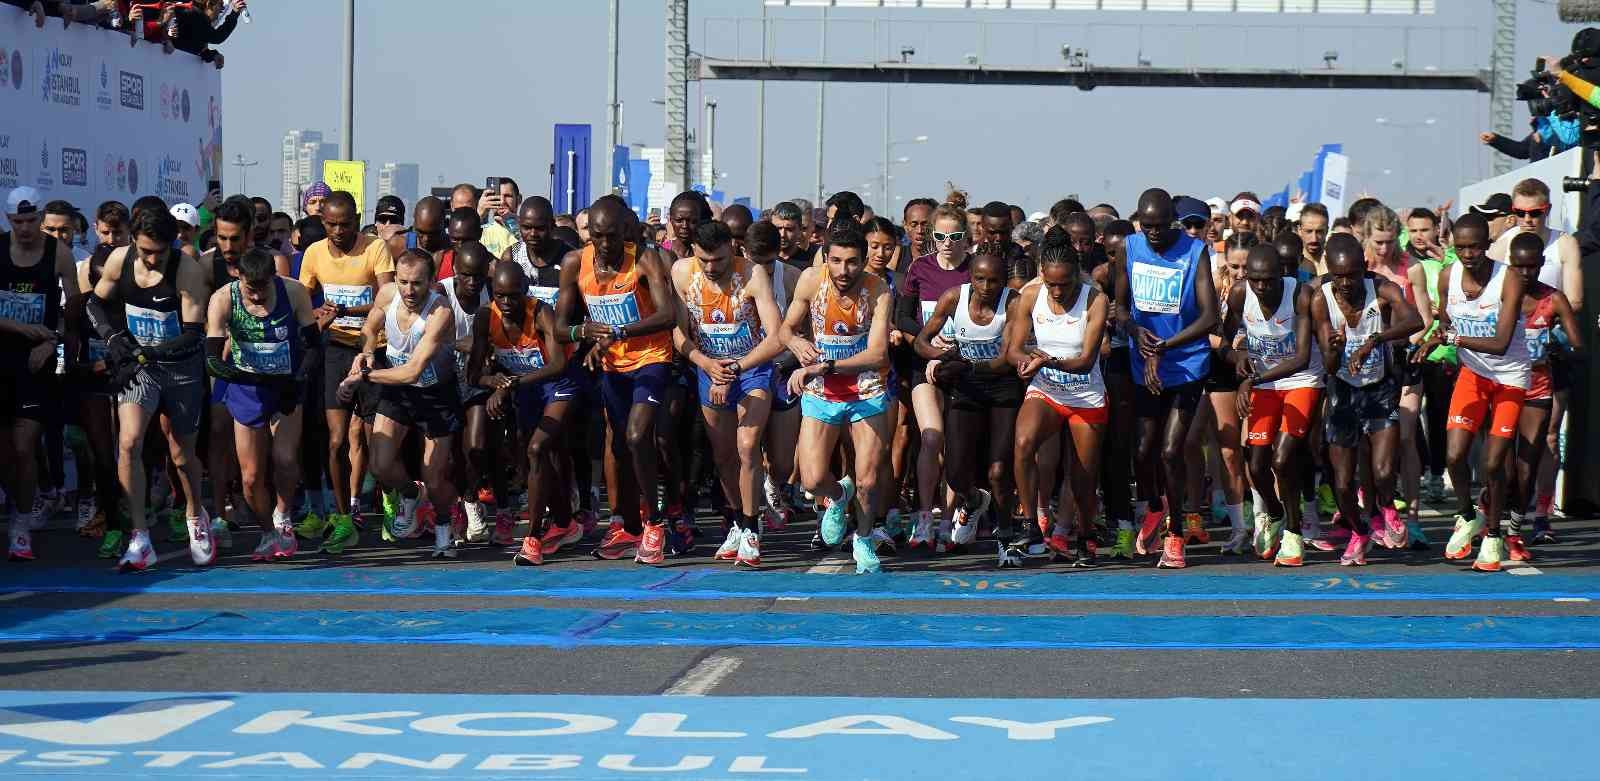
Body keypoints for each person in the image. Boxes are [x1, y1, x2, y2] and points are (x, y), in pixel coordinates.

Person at [85, 208, 212, 571]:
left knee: (181, 454)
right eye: (145, 251)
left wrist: (147, 353)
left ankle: (195, 514)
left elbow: (193, 335)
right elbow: (94, 303)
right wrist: (112, 339)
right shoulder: (119, 259)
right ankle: (139, 537)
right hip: (141, 368)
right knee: (128, 443)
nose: (153, 259)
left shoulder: (187, 270)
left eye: (160, 252)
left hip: (180, 368)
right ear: (134, 242)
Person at [557, 198, 677, 563]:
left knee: (639, 435)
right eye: (598, 236)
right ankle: (628, 526)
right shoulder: (575, 263)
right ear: (589, 234)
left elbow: (668, 315)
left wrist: (620, 330)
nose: (606, 244)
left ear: (625, 231)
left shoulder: (644, 259)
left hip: (651, 359)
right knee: (620, 445)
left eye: (612, 235)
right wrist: (584, 332)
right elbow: (559, 328)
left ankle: (655, 523)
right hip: (613, 366)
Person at [1411, 213, 1529, 573]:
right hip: (1473, 375)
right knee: (1454, 455)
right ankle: (1466, 516)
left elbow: (1501, 343)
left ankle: (1493, 535)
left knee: (1493, 463)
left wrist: (1452, 338)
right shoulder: (1448, 276)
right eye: (1461, 247)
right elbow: (1446, 323)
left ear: (1487, 245)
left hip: (1509, 378)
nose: (1467, 254)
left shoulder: (1509, 279)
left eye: (1474, 247)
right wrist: (1433, 339)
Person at [1111, 189, 1218, 569]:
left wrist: (1165, 345)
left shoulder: (1194, 251)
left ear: (1173, 221)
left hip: (1187, 362)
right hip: (1145, 365)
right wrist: (1134, 331)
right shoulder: (1129, 248)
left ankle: (1176, 533)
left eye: (1160, 225)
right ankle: (1155, 507)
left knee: (1171, 450)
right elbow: (1120, 307)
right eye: (1147, 226)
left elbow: (1210, 317)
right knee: (1142, 451)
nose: (1154, 233)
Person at [780, 219, 894, 574]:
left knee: (868, 480)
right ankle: (839, 496)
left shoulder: (879, 291)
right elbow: (786, 329)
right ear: (825, 258)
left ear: (864, 261)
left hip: (865, 389)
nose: (844, 271)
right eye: (837, 261)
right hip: (822, 392)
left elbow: (878, 355)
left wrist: (823, 366)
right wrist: (795, 342)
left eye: (852, 262)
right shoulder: (811, 281)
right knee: (813, 480)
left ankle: (863, 537)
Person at [672, 220, 786, 567]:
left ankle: (751, 529)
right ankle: (737, 521)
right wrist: (706, 364)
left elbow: (776, 337)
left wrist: (735, 367)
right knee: (723, 455)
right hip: (709, 368)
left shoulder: (752, 274)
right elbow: (678, 333)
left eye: (719, 260)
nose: (711, 267)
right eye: (704, 260)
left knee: (748, 447)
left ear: (732, 250)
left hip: (751, 367)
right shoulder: (681, 272)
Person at [340, 249, 462, 557]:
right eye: (404, 282)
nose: (409, 290)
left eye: (417, 283)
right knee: (380, 465)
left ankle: (444, 524)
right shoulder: (387, 295)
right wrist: (367, 352)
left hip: (435, 395)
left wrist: (363, 376)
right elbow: (369, 329)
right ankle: (410, 493)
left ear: (431, 282)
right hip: (398, 392)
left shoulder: (440, 312)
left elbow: (412, 371)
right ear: (395, 278)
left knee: (434, 477)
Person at [204, 247, 320, 561]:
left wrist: (298, 380)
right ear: (237, 276)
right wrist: (250, 379)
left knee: (285, 458)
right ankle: (268, 531)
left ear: (274, 277)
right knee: (251, 477)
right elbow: (212, 361)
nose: (256, 296)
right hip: (248, 389)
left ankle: (283, 517)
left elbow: (313, 346)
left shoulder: (293, 292)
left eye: (263, 288)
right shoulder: (223, 299)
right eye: (250, 289)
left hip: (286, 386)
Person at [1312, 234, 1422, 566]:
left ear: (1365, 266)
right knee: (1344, 483)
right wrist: (1334, 349)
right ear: (1329, 271)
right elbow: (1330, 367)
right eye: (1339, 276)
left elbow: (1415, 321)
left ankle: (1386, 506)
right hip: (1343, 391)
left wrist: (1375, 339)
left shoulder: (1383, 288)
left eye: (1353, 275)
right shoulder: (1320, 299)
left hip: (1379, 388)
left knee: (1384, 471)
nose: (1346, 283)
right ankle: (1359, 531)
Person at [295, 191, 395, 553]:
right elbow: (302, 302)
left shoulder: (375, 248)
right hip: (336, 350)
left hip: (373, 349)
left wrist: (346, 311)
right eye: (332, 224)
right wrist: (318, 314)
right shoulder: (314, 253)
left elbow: (388, 298)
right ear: (323, 223)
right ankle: (342, 518)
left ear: (357, 220)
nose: (339, 231)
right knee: (336, 441)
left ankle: (391, 502)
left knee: (374, 442)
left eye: (346, 224)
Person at [1006, 234, 1107, 567]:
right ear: (1042, 275)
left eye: (1065, 284)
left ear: (1077, 275)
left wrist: (1045, 360)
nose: (1058, 292)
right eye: (1051, 284)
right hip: (1046, 390)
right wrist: (1025, 362)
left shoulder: (1095, 299)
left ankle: (1086, 536)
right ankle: (1031, 525)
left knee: (1083, 477)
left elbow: (1086, 361)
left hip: (1085, 395)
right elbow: (1013, 350)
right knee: (1023, 442)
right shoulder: (1030, 296)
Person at [465, 262, 573, 566]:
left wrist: (511, 384)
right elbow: (473, 374)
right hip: (526, 391)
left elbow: (558, 365)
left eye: (513, 296)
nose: (507, 302)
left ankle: (533, 538)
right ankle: (565, 522)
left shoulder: (540, 313)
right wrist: (494, 382)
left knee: (537, 449)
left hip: (558, 386)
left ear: (525, 292)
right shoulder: (485, 317)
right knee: (534, 460)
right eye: (500, 295)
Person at [1222, 245, 1322, 566]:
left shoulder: (1301, 295)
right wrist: (1238, 357)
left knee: (1282, 458)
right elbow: (1225, 343)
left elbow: (1301, 357)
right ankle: (1275, 514)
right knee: (1256, 465)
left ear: (1282, 274)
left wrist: (1251, 379)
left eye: (1268, 280)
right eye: (1255, 280)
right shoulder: (1240, 294)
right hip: (1264, 384)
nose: (1261, 286)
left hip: (1301, 380)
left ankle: (1294, 532)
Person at [915, 250, 1019, 553]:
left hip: (1003, 389)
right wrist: (944, 356)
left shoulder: (1012, 303)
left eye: (994, 281)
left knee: (998, 470)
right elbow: (921, 342)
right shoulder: (953, 298)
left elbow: (1005, 359)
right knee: (956, 473)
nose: (986, 287)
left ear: (1004, 281)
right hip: (966, 389)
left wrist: (967, 365)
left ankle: (1005, 539)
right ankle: (974, 500)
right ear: (970, 278)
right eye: (980, 279)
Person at [2, 187, 82, 560]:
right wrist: (24, 329)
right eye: (17, 221)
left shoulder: (58, 254)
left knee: (24, 446)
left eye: (30, 220)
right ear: (8, 220)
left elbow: (74, 314)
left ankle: (21, 524)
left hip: (37, 362)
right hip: (3, 358)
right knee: (6, 454)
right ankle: (23, 502)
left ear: (40, 218)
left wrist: (54, 344)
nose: (25, 228)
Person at [896, 202, 972, 549]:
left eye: (954, 237)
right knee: (930, 437)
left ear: (966, 238)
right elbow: (903, 317)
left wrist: (954, 348)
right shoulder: (920, 268)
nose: (947, 243)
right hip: (924, 364)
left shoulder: (974, 270)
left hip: (963, 366)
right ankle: (925, 516)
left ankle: (948, 519)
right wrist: (927, 341)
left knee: (956, 444)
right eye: (940, 237)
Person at [1504, 233, 1583, 554]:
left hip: (1538, 387)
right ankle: (1489, 512)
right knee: (1500, 460)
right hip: (1503, 387)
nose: (1525, 273)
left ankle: (1535, 519)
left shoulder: (1553, 298)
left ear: (1541, 265)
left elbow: (1578, 344)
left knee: (1537, 452)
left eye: (1532, 267)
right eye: (1518, 267)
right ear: (1509, 265)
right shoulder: (1498, 295)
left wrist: (1558, 345)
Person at [67, 200, 130, 553]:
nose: (105, 288)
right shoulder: (79, 307)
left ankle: (136, 512)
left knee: (132, 452)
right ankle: (112, 523)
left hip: (132, 383)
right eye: (98, 280)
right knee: (103, 458)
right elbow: (70, 361)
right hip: (95, 386)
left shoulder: (131, 304)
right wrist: (94, 367)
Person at [441, 241, 509, 546]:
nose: (472, 282)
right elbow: (427, 336)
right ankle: (463, 504)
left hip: (479, 380)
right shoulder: (441, 293)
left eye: (479, 275)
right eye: (466, 275)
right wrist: (462, 343)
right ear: (455, 270)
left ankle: (479, 504)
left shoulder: (491, 294)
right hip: (444, 380)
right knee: (452, 454)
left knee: (479, 446)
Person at [746, 221, 803, 532]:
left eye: (769, 263)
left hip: (782, 369)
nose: (763, 270)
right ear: (744, 253)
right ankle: (747, 515)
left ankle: (773, 483)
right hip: (746, 372)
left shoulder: (791, 277)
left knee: (782, 461)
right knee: (747, 447)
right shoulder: (735, 275)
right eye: (757, 262)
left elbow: (806, 331)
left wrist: (792, 361)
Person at [1296, 202, 1330, 277]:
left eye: (1319, 232)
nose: (1314, 239)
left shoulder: (1334, 263)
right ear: (1299, 230)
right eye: (1309, 231)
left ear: (1327, 231)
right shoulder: (1292, 264)